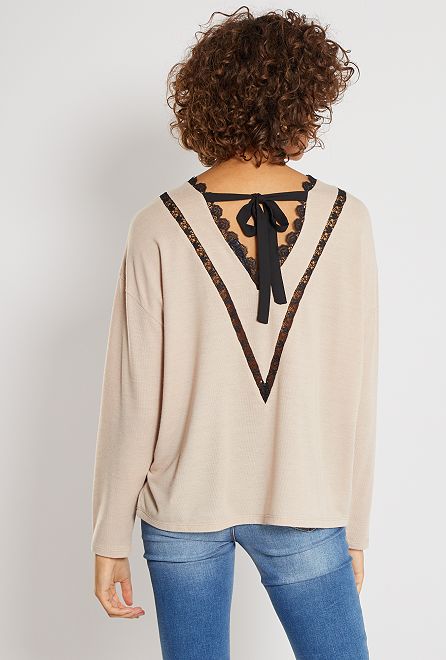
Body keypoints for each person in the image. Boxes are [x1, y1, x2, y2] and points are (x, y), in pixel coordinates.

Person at [91, 7, 379, 659]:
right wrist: (353, 524)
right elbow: (357, 389)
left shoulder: (158, 224)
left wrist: (110, 535)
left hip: (181, 506)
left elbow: (132, 398)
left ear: (206, 99)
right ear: (307, 99)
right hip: (306, 498)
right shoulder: (347, 219)